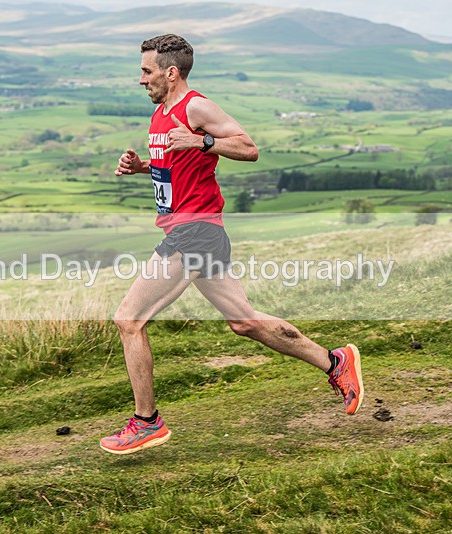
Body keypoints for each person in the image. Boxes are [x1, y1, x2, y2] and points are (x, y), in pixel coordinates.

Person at [100, 34, 363, 455]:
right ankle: (335, 362)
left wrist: (202, 140)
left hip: (196, 231)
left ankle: (146, 422)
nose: (140, 80)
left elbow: (248, 147)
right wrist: (143, 168)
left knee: (129, 319)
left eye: (146, 72)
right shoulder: (162, 114)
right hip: (191, 230)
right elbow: (177, 166)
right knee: (244, 322)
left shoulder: (195, 107)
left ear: (170, 73)